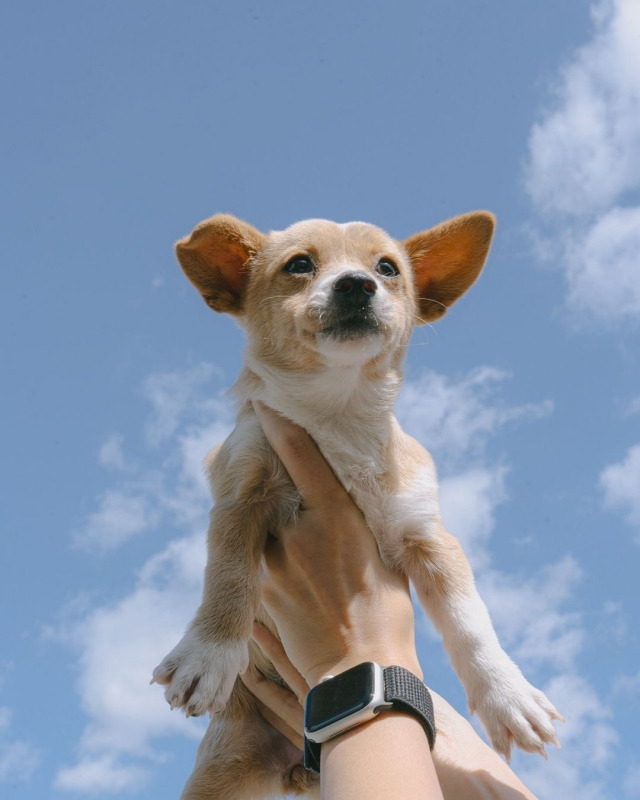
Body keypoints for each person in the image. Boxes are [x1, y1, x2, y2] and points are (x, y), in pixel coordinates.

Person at [240, 402, 538, 800]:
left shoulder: (401, 457)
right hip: (269, 709)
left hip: (333, 709)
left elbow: (432, 547)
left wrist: (360, 668)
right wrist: (472, 778)